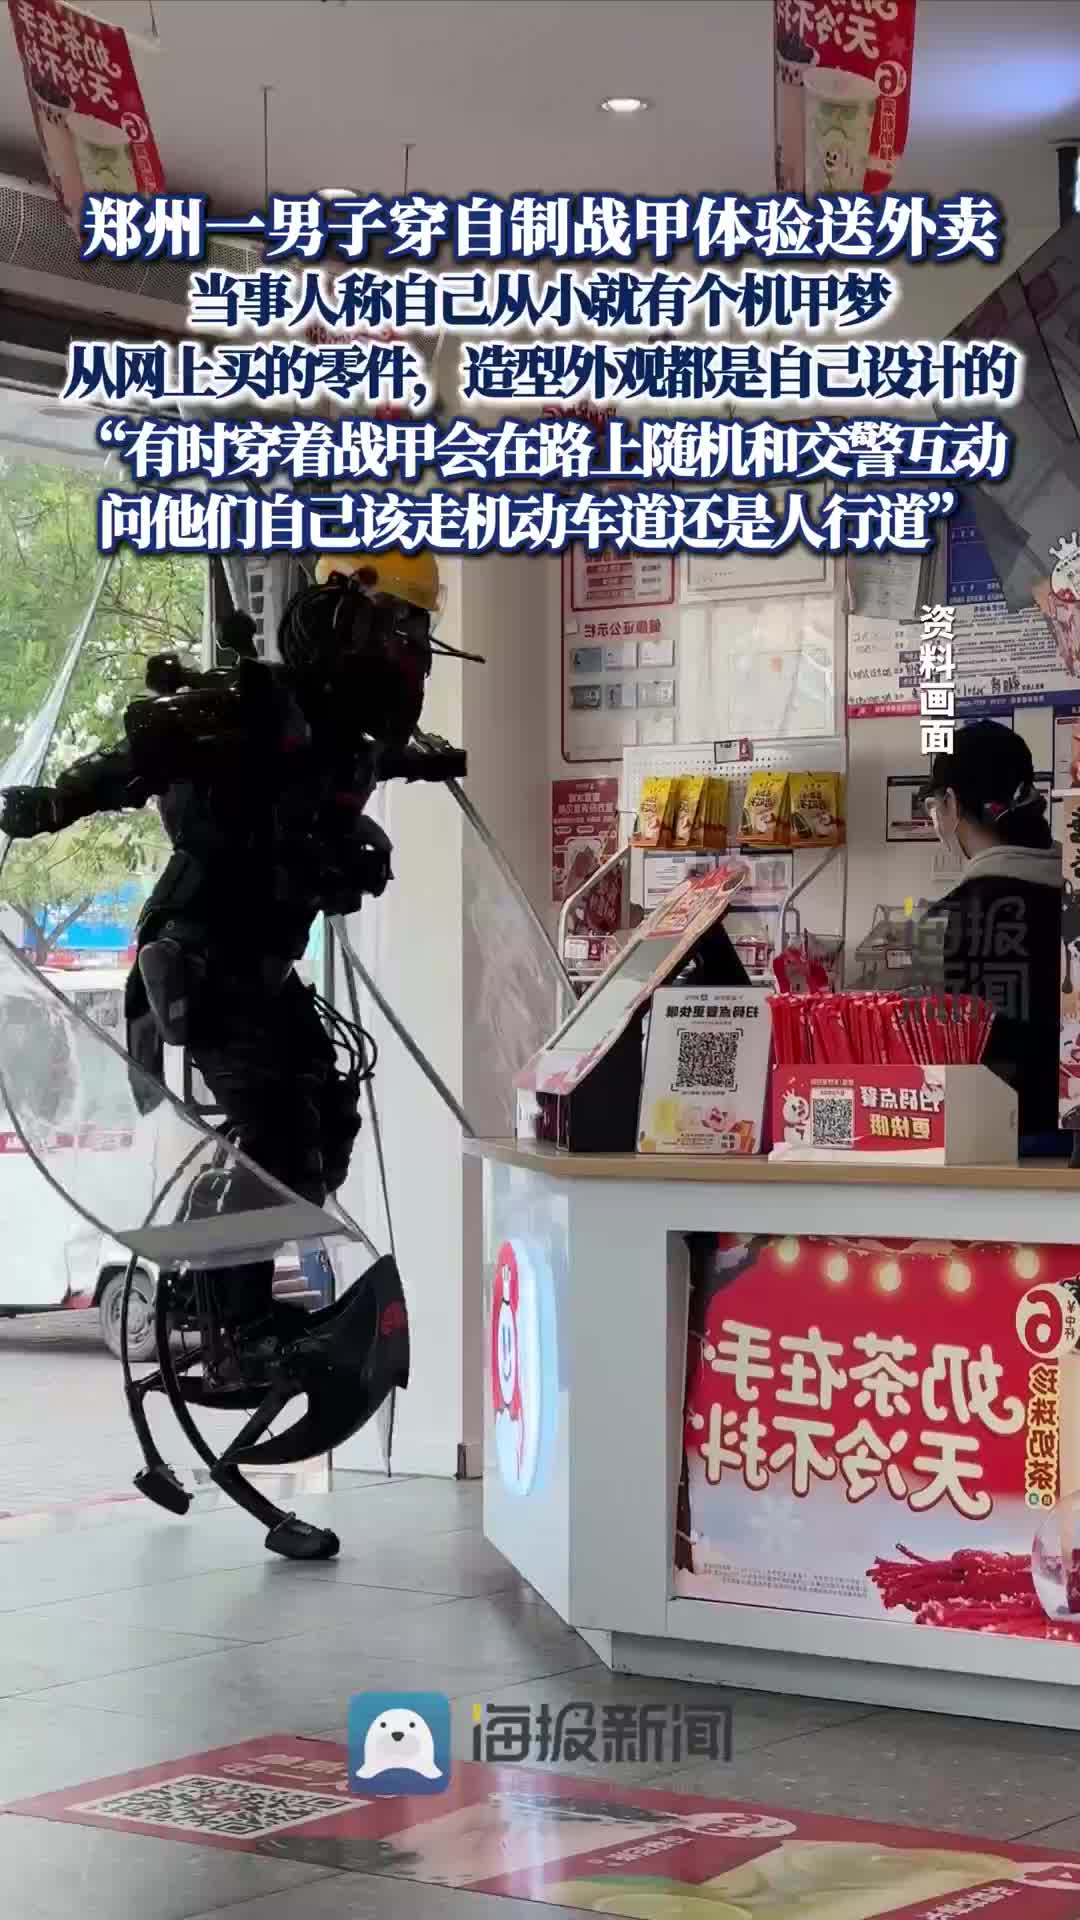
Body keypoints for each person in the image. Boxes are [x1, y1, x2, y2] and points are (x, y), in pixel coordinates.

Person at [0, 548, 468, 1355]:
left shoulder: (345, 737)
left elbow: (355, 771)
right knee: (280, 1133)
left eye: (419, 637)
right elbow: (140, 757)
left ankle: (219, 1277)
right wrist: (55, 803)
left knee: (326, 1122)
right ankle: (235, 1323)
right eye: (403, 632)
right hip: (205, 960)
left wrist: (424, 770)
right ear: (346, 621)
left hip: (266, 971)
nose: (413, 657)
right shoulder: (254, 710)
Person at [921, 720, 1063, 1150]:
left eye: (933, 805)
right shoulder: (1068, 887)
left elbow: (967, 1051)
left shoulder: (970, 909)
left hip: (1004, 1142)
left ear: (950, 802)